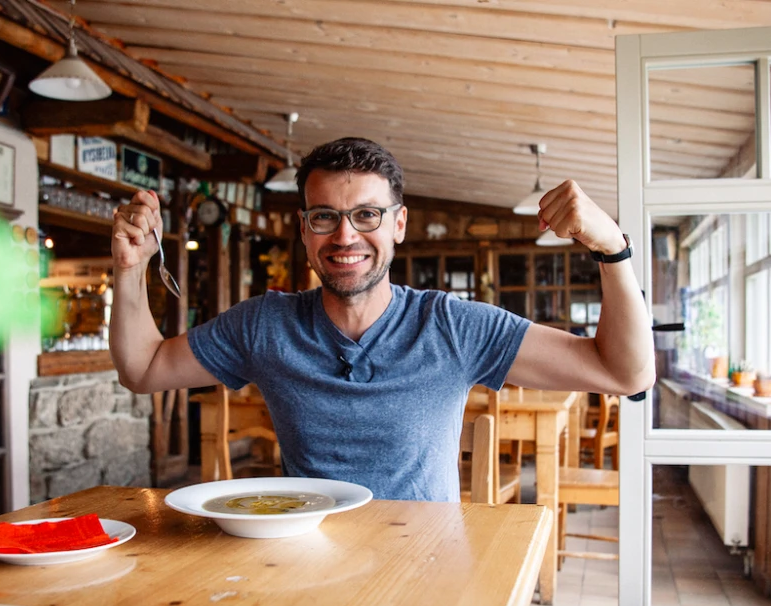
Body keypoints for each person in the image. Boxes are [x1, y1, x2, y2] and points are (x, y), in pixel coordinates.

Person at [110, 137, 653, 501]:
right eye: (325, 217)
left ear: (398, 224)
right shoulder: (265, 325)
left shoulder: (451, 326)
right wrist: (130, 270)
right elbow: (145, 368)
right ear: (304, 229)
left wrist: (611, 248)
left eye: (366, 215)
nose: (345, 237)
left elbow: (623, 373)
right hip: (307, 568)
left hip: (427, 571)